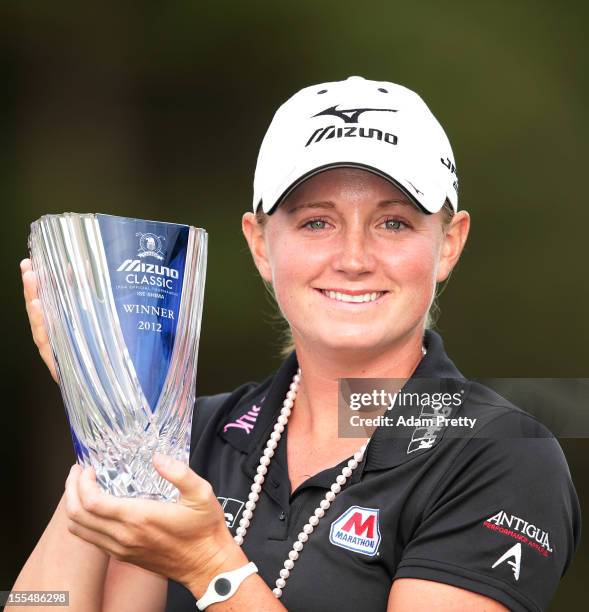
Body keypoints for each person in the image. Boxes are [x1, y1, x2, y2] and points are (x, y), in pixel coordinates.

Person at [13, 76, 580, 612]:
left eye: (394, 224)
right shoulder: (190, 438)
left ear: (449, 243)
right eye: (316, 223)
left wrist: (210, 566)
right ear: (260, 243)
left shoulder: (502, 456)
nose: (354, 259)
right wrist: (107, 416)